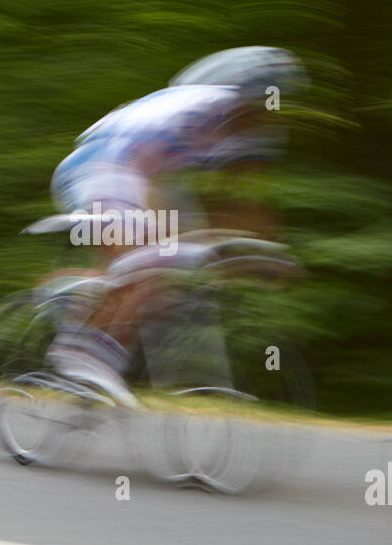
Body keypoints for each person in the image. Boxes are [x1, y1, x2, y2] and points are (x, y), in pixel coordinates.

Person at [44, 46, 306, 405]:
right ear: (240, 93)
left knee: (165, 286)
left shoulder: (253, 130)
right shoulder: (199, 107)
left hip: (151, 177)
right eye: (262, 100)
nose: (268, 111)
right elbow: (144, 176)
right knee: (153, 259)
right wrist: (165, 242)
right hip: (103, 168)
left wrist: (269, 249)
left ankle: (81, 296)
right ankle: (85, 355)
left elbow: (245, 199)